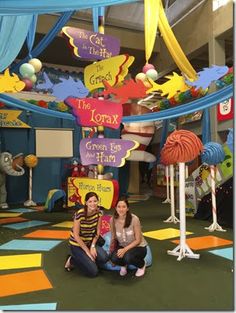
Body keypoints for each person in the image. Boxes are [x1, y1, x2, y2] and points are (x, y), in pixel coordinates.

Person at [64, 191, 109, 277]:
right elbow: (76, 236)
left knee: (104, 258)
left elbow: (97, 231)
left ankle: (88, 260)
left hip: (89, 242)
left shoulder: (99, 213)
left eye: (95, 201)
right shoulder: (79, 214)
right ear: (86, 203)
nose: (93, 204)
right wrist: (88, 252)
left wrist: (92, 246)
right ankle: (71, 260)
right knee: (93, 272)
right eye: (90, 201)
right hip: (77, 244)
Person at [109, 196, 148, 277]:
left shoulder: (134, 219)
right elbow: (113, 237)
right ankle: (124, 265)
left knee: (128, 257)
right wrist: (112, 252)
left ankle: (142, 265)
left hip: (138, 247)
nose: (121, 209)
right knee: (113, 258)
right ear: (115, 208)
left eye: (124, 206)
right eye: (119, 207)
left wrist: (124, 250)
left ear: (127, 208)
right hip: (122, 246)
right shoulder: (112, 220)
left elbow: (138, 240)